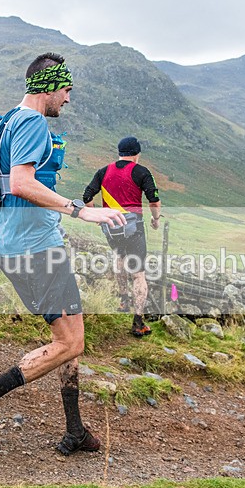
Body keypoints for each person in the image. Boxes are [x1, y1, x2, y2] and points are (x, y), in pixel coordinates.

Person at [0, 53, 126, 455]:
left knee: (70, 334)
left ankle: (75, 429)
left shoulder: (11, 118)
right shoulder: (31, 122)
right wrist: (83, 210)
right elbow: (20, 183)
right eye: (66, 90)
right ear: (49, 86)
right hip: (36, 251)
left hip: (19, 244)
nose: (67, 99)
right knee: (71, 343)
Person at [82, 136, 161, 337]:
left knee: (119, 259)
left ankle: (123, 300)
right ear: (137, 154)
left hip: (111, 228)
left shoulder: (103, 171)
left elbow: (87, 197)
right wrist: (156, 220)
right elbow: (154, 200)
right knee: (138, 273)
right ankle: (138, 322)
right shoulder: (141, 172)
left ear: (119, 152)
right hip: (133, 228)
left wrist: (98, 218)